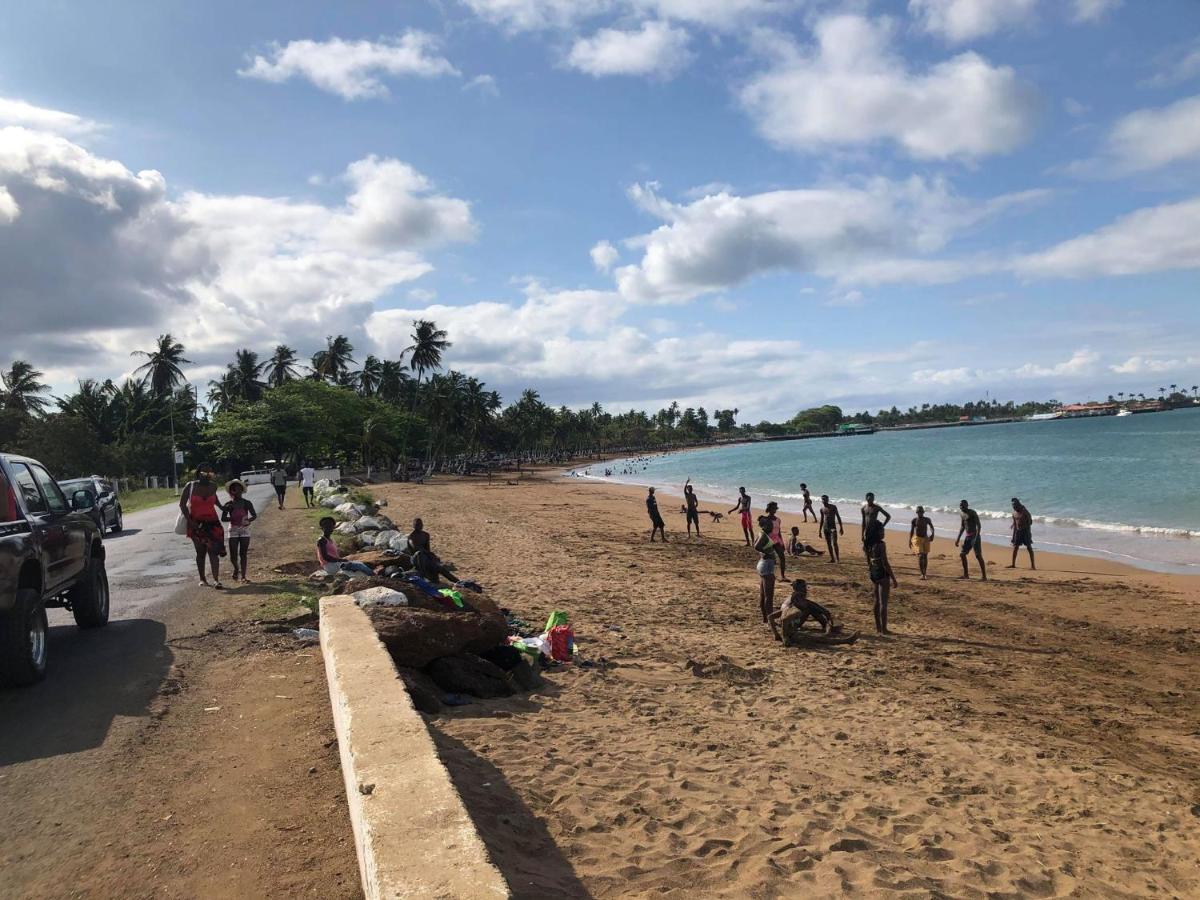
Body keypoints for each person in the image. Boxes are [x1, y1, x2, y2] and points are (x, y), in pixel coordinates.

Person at [769, 579, 858, 645]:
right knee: (819, 639)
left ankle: (831, 631)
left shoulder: (791, 602)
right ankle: (846, 641)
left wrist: (776, 634)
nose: (806, 590)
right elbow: (785, 619)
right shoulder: (796, 609)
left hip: (791, 630)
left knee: (818, 635)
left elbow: (771, 617)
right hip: (793, 634)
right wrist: (785, 637)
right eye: (804, 587)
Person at [180, 464, 226, 588]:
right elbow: (182, 505)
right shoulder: (190, 486)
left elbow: (214, 499)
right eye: (205, 472)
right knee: (201, 552)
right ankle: (203, 579)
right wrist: (190, 521)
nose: (208, 474)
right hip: (196, 524)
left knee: (214, 551)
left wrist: (223, 507)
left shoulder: (213, 486)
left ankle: (216, 580)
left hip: (213, 523)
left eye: (210, 472)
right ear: (199, 473)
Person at [222, 479, 257, 582]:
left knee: (243, 553)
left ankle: (243, 576)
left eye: (237, 488)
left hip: (244, 529)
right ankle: (237, 569)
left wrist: (248, 520)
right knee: (233, 554)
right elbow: (223, 518)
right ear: (231, 491)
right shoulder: (228, 504)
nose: (235, 491)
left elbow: (254, 515)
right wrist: (232, 518)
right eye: (233, 489)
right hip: (233, 529)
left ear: (241, 490)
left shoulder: (247, 503)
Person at [865, 523, 898, 634]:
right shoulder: (881, 545)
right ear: (877, 533)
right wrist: (893, 578)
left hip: (874, 572)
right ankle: (884, 629)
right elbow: (885, 562)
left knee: (876, 601)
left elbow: (869, 561)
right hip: (882, 573)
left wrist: (871, 571)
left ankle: (878, 627)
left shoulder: (869, 544)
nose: (883, 533)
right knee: (884, 603)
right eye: (882, 531)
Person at [955, 499, 988, 581]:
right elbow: (962, 527)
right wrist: (958, 539)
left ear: (967, 505)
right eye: (960, 505)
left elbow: (979, 525)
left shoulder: (972, 512)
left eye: (963, 505)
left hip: (975, 536)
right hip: (968, 537)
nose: (961, 507)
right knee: (962, 554)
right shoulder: (962, 514)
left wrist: (977, 536)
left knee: (978, 556)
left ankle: (984, 576)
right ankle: (966, 575)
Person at [763, 501, 788, 581]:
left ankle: (782, 576)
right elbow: (764, 532)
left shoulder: (778, 520)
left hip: (777, 539)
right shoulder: (766, 519)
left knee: (782, 557)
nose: (774, 510)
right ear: (769, 509)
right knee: (769, 558)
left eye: (775, 509)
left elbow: (779, 532)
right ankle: (769, 574)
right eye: (773, 508)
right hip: (769, 540)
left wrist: (782, 543)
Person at [1008, 497, 1035, 570]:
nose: (1014, 507)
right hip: (1017, 532)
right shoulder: (1014, 512)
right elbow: (1014, 521)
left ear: (1018, 504)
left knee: (1029, 547)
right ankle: (1013, 564)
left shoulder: (1025, 511)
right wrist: (1013, 526)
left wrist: (1024, 527)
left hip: (1025, 532)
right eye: (1013, 506)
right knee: (1015, 547)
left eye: (1015, 505)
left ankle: (1033, 566)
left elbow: (1030, 522)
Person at [909, 506, 935, 580]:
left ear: (923, 512)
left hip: (925, 538)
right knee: (921, 555)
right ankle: (921, 573)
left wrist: (932, 534)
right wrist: (909, 540)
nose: (920, 513)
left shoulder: (927, 519)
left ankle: (925, 573)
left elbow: (931, 527)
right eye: (918, 512)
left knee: (925, 556)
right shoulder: (914, 520)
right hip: (917, 538)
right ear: (916, 512)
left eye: (921, 512)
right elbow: (911, 531)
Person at [819, 495, 843, 562]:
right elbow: (821, 520)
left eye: (825, 499)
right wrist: (819, 531)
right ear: (821, 500)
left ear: (828, 499)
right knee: (828, 544)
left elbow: (838, 517)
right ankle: (832, 558)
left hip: (832, 527)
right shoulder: (822, 509)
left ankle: (837, 559)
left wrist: (841, 527)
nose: (824, 500)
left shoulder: (833, 507)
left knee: (834, 543)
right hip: (825, 527)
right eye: (823, 499)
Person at [756, 546, 776, 624]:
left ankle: (765, 618)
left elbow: (756, 546)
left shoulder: (763, 536)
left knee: (763, 595)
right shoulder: (771, 538)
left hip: (762, 563)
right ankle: (770, 620)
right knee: (769, 597)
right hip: (767, 566)